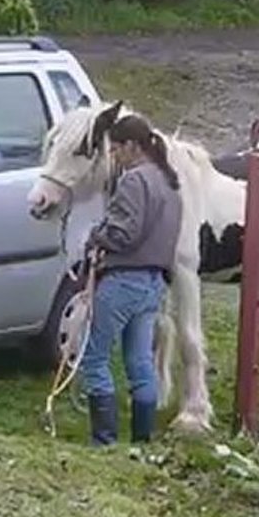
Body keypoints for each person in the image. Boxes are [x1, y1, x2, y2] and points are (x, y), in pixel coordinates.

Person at [80, 113, 182, 446]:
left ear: (133, 146)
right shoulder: (169, 183)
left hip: (123, 280)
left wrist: (97, 237)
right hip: (154, 283)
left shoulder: (134, 181)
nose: (114, 156)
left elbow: (125, 233)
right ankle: (142, 440)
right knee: (140, 362)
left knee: (95, 358)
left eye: (117, 149)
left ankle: (105, 440)